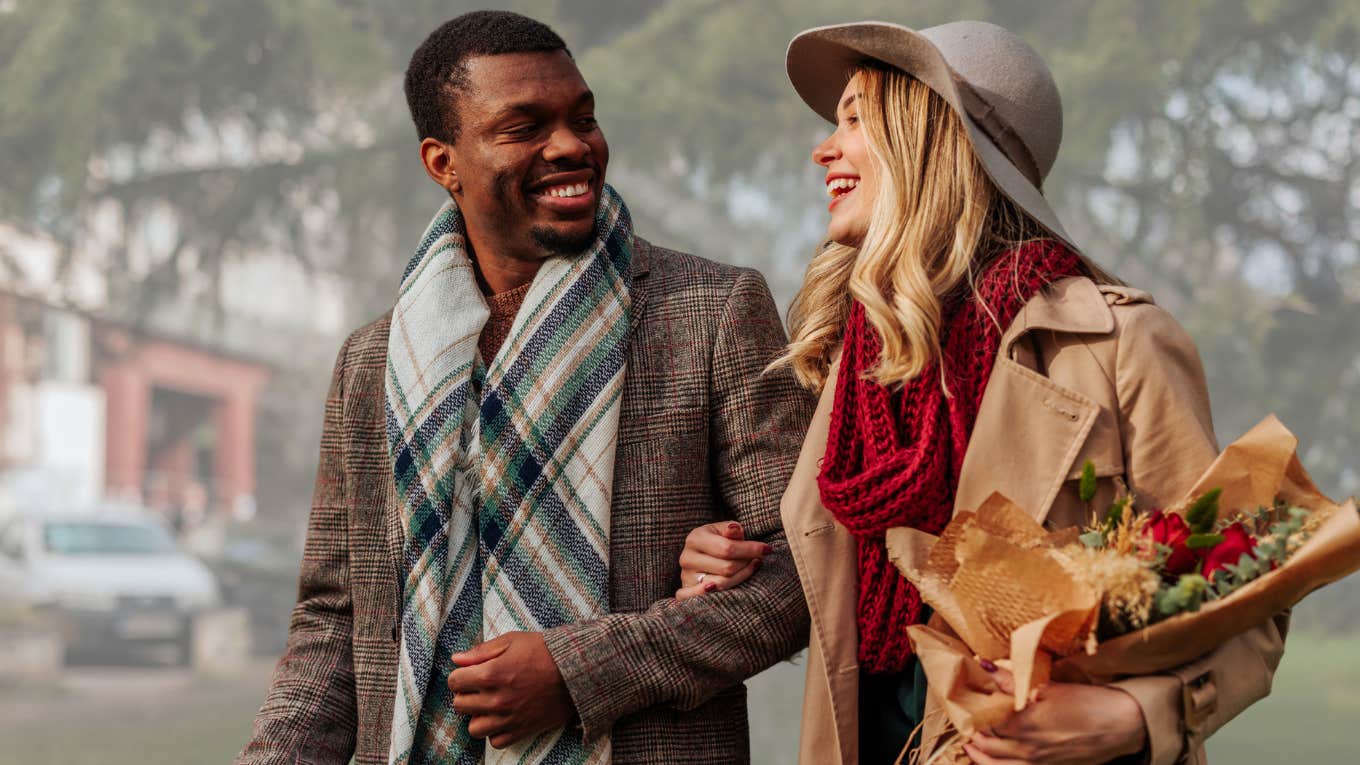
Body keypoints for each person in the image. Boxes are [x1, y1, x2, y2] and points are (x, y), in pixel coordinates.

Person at [675, 20, 1288, 765]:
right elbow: (857, 592)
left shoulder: (1118, 342)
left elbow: (1248, 583)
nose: (823, 149)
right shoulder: (859, 366)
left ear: (932, 137)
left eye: (856, 120)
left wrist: (1133, 713)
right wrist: (737, 564)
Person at [237, 11, 812, 765]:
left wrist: (578, 671)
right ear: (444, 162)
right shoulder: (374, 359)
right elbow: (334, 620)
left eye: (584, 118)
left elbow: (804, 576)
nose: (572, 145)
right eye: (524, 126)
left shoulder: (711, 312)